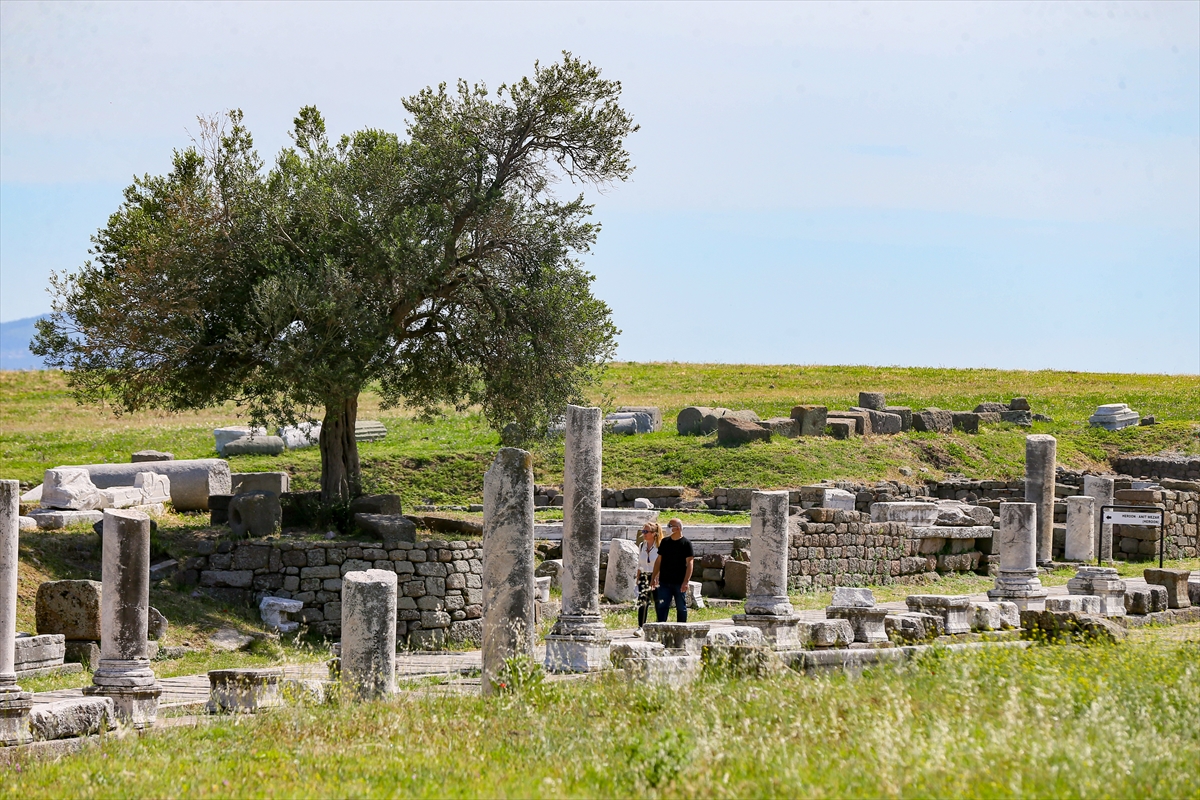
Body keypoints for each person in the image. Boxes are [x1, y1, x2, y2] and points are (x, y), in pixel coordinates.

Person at [650, 517, 694, 623]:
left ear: (678, 528)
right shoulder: (665, 542)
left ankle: (681, 630)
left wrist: (686, 581)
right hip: (664, 581)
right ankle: (661, 629)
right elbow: (658, 560)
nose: (668, 528)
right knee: (662, 607)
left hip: (679, 582)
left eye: (670, 526)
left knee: (681, 607)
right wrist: (654, 576)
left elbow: (690, 563)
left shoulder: (686, 544)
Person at [635, 522, 662, 628]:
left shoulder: (660, 546)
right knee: (642, 602)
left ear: (654, 533)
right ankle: (641, 626)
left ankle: (660, 626)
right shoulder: (642, 545)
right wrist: (638, 576)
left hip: (656, 576)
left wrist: (658, 576)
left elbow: (661, 563)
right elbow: (640, 563)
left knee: (658, 602)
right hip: (644, 575)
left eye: (646, 532)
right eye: (643, 531)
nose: (644, 534)